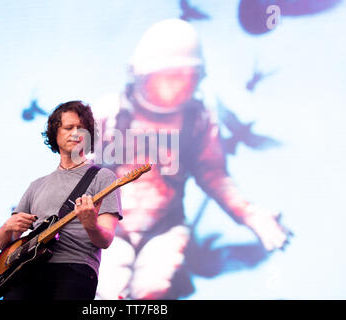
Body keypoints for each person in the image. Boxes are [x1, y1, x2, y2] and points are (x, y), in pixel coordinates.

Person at [92, 19, 290, 299]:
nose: (176, 89)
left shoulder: (197, 120)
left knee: (154, 291)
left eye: (187, 79)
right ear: (141, 75)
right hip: (108, 226)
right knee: (105, 293)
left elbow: (214, 175)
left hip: (165, 229)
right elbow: (75, 177)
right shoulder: (108, 113)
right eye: (170, 78)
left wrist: (250, 214)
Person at [0, 100, 122, 300]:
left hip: (74, 270)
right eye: (68, 127)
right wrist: (7, 228)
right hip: (26, 273)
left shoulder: (102, 177)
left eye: (81, 128)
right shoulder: (36, 185)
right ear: (55, 133)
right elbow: (5, 244)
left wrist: (91, 225)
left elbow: (105, 239)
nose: (75, 133)